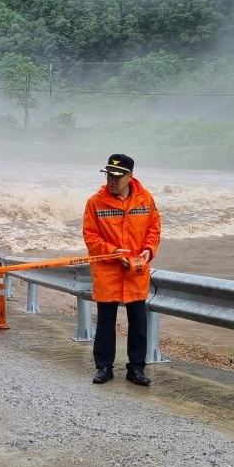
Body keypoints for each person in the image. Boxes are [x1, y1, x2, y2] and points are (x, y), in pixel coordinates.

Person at [82, 154, 161, 386]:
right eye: (109, 175)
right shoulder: (95, 202)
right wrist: (113, 251)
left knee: (138, 322)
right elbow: (90, 236)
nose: (112, 180)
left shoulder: (145, 199)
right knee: (106, 323)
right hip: (108, 271)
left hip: (135, 271)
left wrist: (148, 250)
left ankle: (136, 369)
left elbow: (154, 228)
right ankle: (104, 367)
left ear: (130, 176)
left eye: (117, 176)